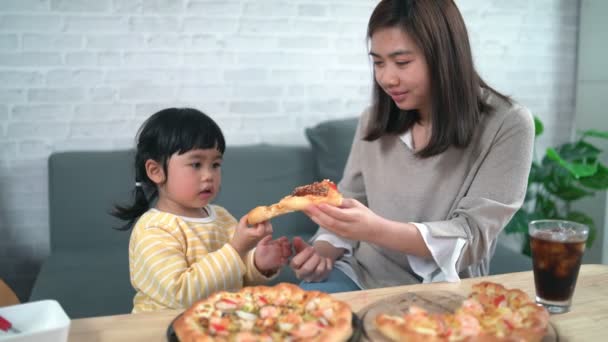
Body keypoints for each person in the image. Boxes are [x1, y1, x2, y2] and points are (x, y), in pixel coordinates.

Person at [290, 0, 534, 292]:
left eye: (402, 62)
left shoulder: (507, 123)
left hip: (444, 288)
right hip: (359, 274)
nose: (387, 78)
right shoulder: (373, 120)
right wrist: (324, 252)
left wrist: (376, 230)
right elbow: (353, 197)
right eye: (378, 62)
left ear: (445, 56)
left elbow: (473, 236)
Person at [113, 108, 292, 313]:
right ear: (156, 171)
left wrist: (258, 262)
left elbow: (235, 275)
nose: (209, 175)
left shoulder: (222, 217)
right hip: (165, 328)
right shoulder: (154, 229)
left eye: (215, 164)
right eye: (196, 164)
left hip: (218, 322)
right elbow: (181, 295)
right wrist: (236, 249)